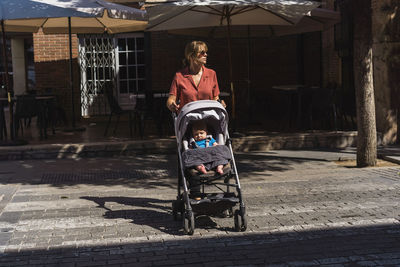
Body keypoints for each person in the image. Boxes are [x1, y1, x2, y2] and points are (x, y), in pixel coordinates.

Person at [166, 40, 225, 113]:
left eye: (206, 52)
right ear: (191, 56)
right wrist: (172, 105)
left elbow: (215, 98)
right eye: (202, 53)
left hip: (208, 117)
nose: (206, 55)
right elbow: (171, 99)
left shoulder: (211, 74)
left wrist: (220, 103)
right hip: (187, 118)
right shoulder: (179, 76)